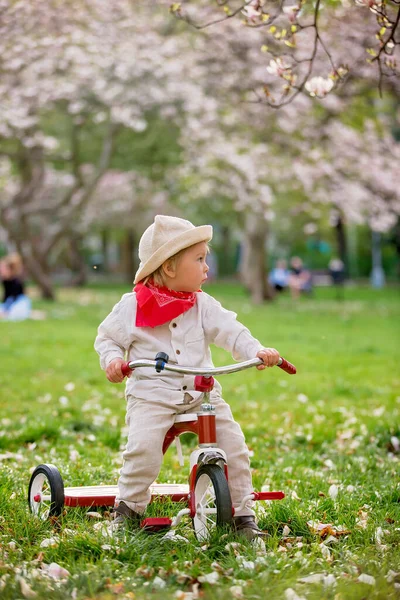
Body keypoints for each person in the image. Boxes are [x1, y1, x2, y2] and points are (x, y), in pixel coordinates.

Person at [94, 215, 280, 540]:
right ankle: (128, 509)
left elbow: (231, 331)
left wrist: (257, 350)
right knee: (144, 448)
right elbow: (108, 338)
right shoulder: (132, 307)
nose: (207, 267)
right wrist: (112, 359)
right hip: (152, 396)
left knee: (234, 448)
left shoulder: (203, 305)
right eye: (199, 259)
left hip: (202, 395)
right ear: (169, 267)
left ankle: (243, 518)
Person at [0, 253, 31, 321]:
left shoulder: (16, 282)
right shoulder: (5, 281)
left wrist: (7, 309)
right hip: (9, 302)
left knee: (13, 314)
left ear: (9, 270)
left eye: (2, 269)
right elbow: (6, 296)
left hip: (19, 302)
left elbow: (15, 297)